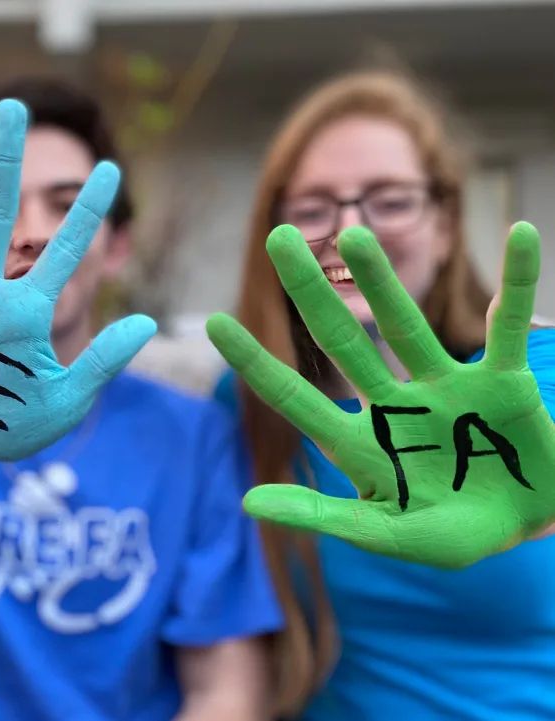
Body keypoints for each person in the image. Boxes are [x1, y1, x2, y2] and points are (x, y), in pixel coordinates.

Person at [0, 77, 282, 720]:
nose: (33, 233)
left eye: (67, 206)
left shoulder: (192, 434)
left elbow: (226, 688)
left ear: (116, 246)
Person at [212, 69, 555, 720]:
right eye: (314, 206)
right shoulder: (254, 404)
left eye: (390, 199)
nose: (348, 230)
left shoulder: (538, 372)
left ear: (447, 222)